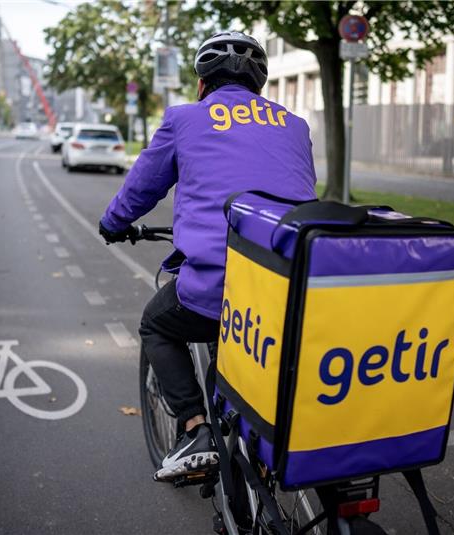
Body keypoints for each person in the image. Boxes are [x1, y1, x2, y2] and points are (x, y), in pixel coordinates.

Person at [98, 31, 317, 481]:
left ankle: (195, 428)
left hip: (220, 284)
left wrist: (113, 223)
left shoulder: (185, 119)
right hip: (292, 282)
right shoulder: (295, 125)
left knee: (156, 324)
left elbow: (141, 188)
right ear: (260, 86)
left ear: (202, 84)